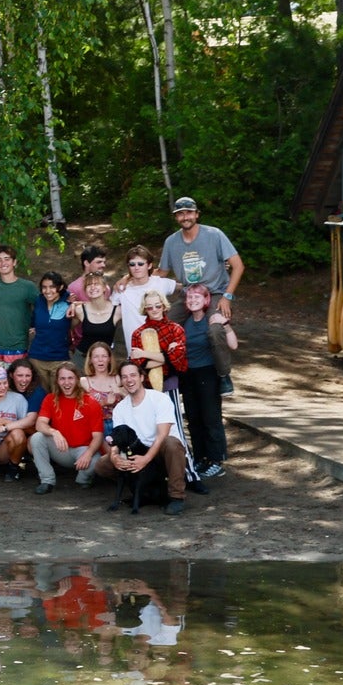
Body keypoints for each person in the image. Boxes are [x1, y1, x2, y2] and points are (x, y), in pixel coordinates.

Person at [159, 195, 243, 393]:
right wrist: (130, 277)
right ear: (176, 217)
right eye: (180, 214)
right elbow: (161, 272)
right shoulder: (172, 242)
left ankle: (223, 375)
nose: (185, 217)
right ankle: (171, 370)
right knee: (164, 327)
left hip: (214, 292)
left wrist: (227, 296)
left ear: (196, 214)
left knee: (214, 330)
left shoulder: (214, 235)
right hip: (188, 293)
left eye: (188, 212)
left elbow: (238, 266)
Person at [93, 361, 189, 515]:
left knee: (171, 443)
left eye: (133, 375)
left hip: (161, 453)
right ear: (120, 381)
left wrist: (146, 459)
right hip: (136, 451)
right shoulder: (120, 408)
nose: (129, 380)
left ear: (142, 377)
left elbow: (162, 434)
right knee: (102, 465)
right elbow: (117, 440)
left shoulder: (159, 399)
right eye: (124, 377)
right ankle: (140, 489)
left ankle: (176, 496)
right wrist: (115, 456)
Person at [174, 283, 228, 479]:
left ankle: (216, 460)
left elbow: (232, 344)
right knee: (193, 418)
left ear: (206, 300)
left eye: (197, 297)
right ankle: (200, 457)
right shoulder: (184, 321)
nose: (193, 300)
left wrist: (225, 324)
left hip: (207, 372)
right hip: (188, 374)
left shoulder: (211, 320)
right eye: (189, 298)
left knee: (210, 417)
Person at [30, 362, 105, 494]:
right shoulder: (50, 399)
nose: (66, 383)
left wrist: (88, 454)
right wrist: (54, 432)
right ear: (57, 381)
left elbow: (98, 436)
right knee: (37, 438)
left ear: (77, 379)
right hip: (61, 449)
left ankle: (83, 479)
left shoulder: (91, 402)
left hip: (82, 450)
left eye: (70, 378)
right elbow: (40, 424)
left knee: (95, 461)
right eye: (62, 379)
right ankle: (47, 480)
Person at [111, 246, 179, 354]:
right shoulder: (121, 289)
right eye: (132, 264)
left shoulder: (161, 283)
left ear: (149, 265)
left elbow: (185, 288)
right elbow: (107, 311)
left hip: (161, 349)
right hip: (135, 351)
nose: (136, 267)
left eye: (141, 264)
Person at [0, 246, 38, 367]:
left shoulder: (27, 287)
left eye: (7, 259)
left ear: (14, 262)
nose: (3, 263)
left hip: (17, 347)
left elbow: (44, 307)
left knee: (15, 383)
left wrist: (36, 326)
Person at [27, 273, 74, 396]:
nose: (47, 291)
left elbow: (86, 305)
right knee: (39, 396)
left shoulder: (68, 301)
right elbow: (33, 321)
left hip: (59, 359)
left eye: (52, 287)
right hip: (37, 358)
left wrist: (74, 304)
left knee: (58, 396)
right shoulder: (39, 301)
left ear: (60, 287)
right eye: (44, 287)